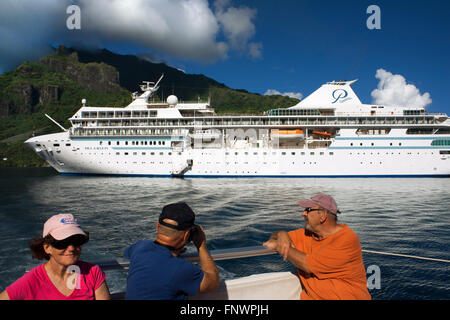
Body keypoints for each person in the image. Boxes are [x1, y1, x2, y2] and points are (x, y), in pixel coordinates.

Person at [263, 194, 371, 300]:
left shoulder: (347, 239)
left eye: (308, 210)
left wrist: (279, 245)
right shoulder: (308, 234)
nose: (303, 213)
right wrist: (281, 234)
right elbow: (276, 236)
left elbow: (308, 265)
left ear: (322, 215)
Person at [0, 214, 110, 300]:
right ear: (47, 248)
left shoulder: (93, 273)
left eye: (76, 241)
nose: (71, 248)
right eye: (63, 243)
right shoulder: (32, 280)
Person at [124, 202, 219, 300]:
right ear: (187, 235)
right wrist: (201, 246)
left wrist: (172, 252)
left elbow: (154, 262)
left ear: (157, 226)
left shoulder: (139, 247)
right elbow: (212, 283)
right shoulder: (181, 268)